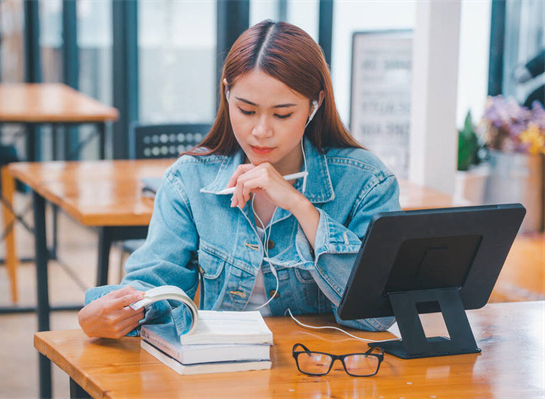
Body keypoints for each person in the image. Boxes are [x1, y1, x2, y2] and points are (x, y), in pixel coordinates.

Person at [78, 20, 400, 339]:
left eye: (282, 114)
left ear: (315, 105)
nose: (261, 131)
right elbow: (156, 283)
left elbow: (377, 314)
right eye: (246, 110)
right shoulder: (189, 179)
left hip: (321, 375)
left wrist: (300, 206)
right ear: (227, 93)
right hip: (224, 372)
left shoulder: (366, 181)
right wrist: (115, 313)